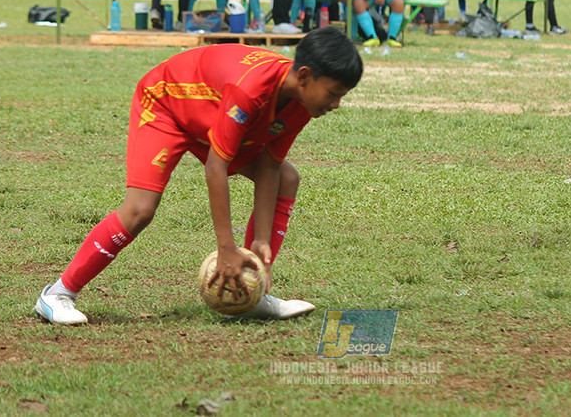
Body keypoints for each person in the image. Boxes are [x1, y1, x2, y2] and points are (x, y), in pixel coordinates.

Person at [34, 28, 364, 325]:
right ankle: (58, 294)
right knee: (140, 210)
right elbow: (215, 166)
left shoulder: (301, 102)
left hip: (210, 114)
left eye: (341, 96)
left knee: (287, 179)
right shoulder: (249, 90)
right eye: (333, 93)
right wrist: (226, 248)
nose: (335, 104)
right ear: (304, 76)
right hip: (166, 105)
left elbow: (270, 166)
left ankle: (251, 293)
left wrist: (261, 240)